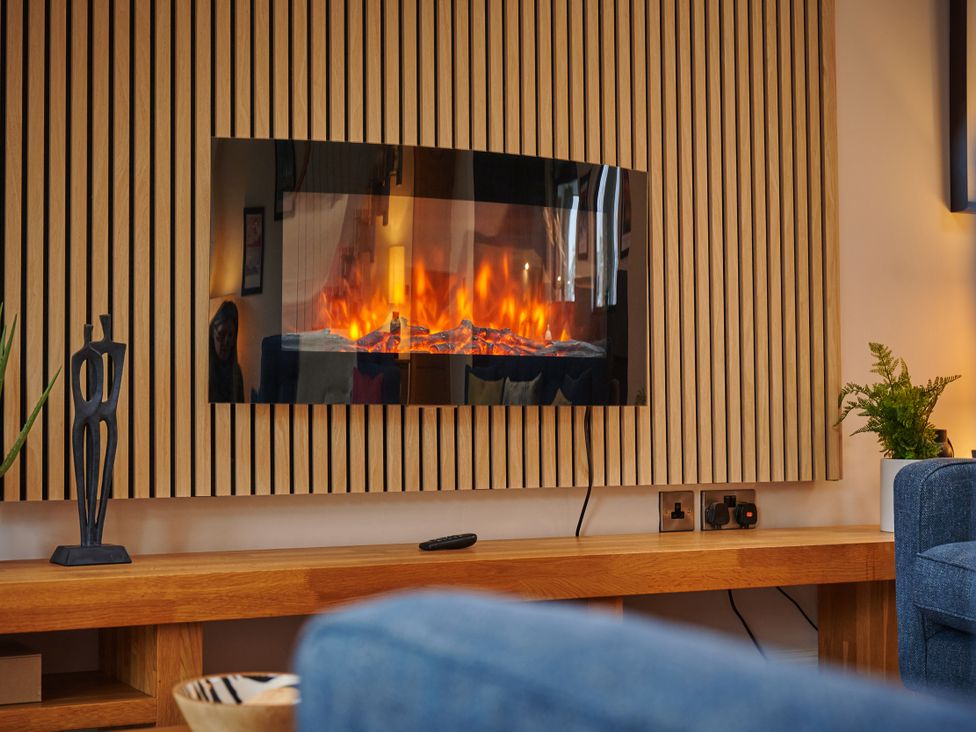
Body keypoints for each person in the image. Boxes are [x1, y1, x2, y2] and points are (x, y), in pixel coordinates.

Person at [209, 300, 245, 403]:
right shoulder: (202, 369)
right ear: (212, 333)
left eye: (230, 335)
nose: (226, 342)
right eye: (222, 334)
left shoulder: (236, 372)